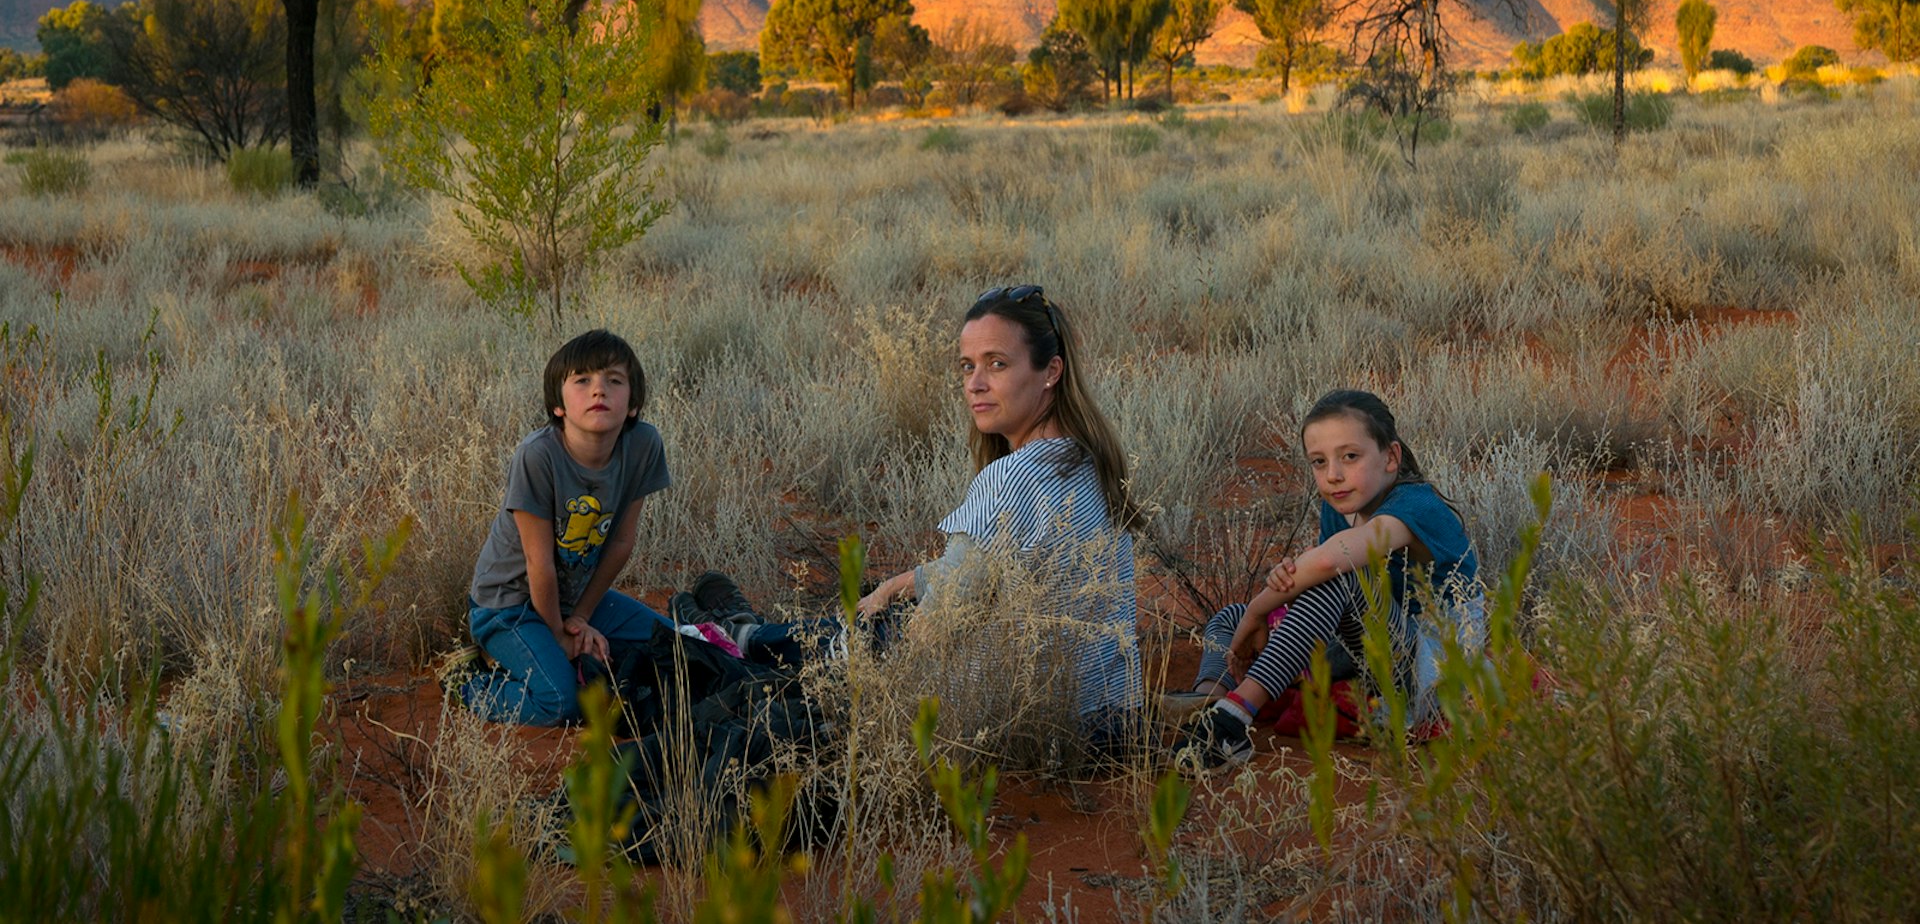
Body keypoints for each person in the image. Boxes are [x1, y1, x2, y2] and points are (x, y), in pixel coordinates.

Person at [718, 286, 1146, 743]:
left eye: (997, 364)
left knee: (855, 645)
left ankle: (731, 642)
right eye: (968, 366)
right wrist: (896, 584)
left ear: (1050, 372)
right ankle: (744, 636)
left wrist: (864, 684)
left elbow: (935, 629)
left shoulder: (1013, 477)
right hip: (1112, 718)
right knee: (873, 619)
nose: (974, 383)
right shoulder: (1089, 461)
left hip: (1021, 726)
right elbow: (980, 573)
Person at [1170, 389, 1481, 771]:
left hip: (1424, 671)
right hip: (1366, 650)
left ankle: (1232, 720)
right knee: (1230, 617)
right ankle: (1208, 698)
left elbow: (1331, 565)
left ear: (1391, 457)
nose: (1333, 475)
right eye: (1319, 462)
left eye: (1350, 456)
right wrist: (1282, 587)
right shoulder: (1341, 506)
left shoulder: (1416, 505)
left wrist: (1260, 611)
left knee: (1338, 579)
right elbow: (1321, 579)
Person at [458, 329, 672, 725]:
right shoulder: (538, 456)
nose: (598, 391)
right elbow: (538, 563)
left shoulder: (643, 445)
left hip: (573, 600)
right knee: (560, 702)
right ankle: (469, 681)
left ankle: (542, 650)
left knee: (672, 643)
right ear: (558, 405)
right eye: (582, 380)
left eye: (614, 380)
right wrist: (558, 636)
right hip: (508, 605)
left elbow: (622, 541)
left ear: (633, 403)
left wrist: (581, 617)